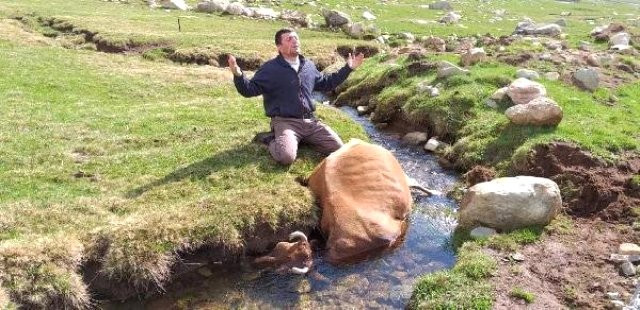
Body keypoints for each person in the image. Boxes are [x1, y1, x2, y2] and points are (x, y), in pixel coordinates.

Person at [228, 28, 364, 165]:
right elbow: (249, 90)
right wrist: (238, 75)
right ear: (279, 47)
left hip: (310, 122)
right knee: (286, 157)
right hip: (285, 122)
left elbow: (326, 84)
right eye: (289, 39)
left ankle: (299, 139)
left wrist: (348, 68)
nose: (295, 41)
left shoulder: (308, 66)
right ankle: (269, 139)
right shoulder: (270, 69)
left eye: (296, 38)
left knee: (338, 148)